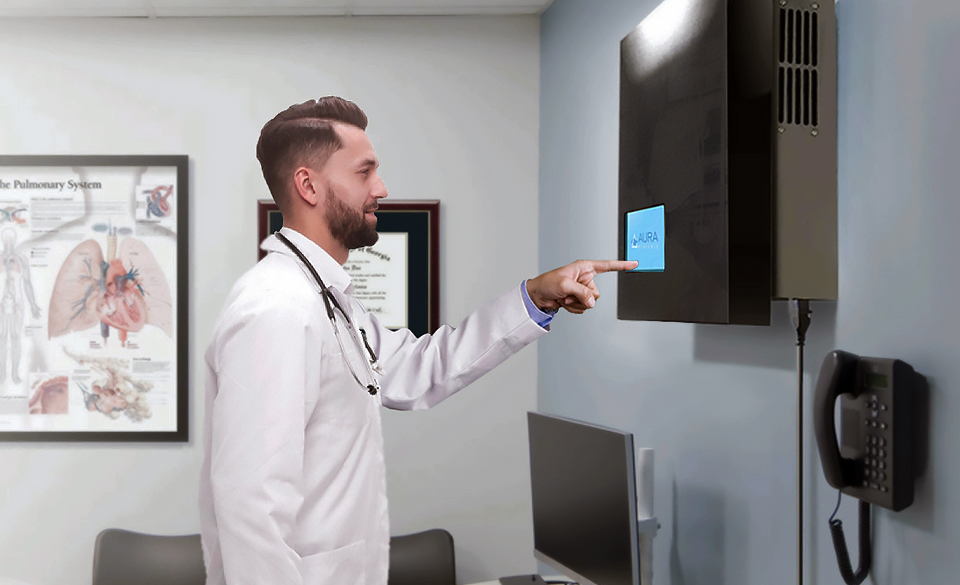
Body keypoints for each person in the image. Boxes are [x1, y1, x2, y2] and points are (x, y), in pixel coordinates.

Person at [199, 96, 637, 585]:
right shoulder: (275, 309)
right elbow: (250, 507)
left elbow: (417, 370)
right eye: (364, 172)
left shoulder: (324, 298)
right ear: (308, 185)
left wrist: (537, 296)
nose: (381, 189)